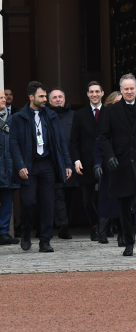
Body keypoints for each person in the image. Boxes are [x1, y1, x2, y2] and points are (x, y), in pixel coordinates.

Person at [9, 82, 72, 252]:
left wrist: (67, 163)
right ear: (31, 97)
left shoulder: (50, 116)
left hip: (47, 165)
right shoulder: (18, 117)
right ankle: (27, 233)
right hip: (28, 165)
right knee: (28, 203)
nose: (45, 99)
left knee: (47, 203)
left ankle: (45, 240)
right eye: (42, 96)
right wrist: (20, 165)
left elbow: (60, 142)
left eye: (46, 96)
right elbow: (13, 144)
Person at [100, 74, 136, 257]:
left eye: (132, 88)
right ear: (121, 90)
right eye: (126, 89)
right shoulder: (111, 111)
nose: (129, 91)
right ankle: (128, 242)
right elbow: (104, 137)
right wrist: (109, 156)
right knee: (123, 207)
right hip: (120, 164)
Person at [70, 81, 105, 241]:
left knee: (108, 197)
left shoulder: (109, 112)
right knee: (87, 200)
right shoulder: (80, 114)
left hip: (106, 161)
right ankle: (95, 225)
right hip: (85, 162)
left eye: (97, 91)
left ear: (102, 93)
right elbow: (74, 141)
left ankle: (106, 228)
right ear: (87, 94)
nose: (94, 94)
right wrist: (76, 160)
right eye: (91, 92)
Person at [93, 91, 122, 245]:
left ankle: (122, 232)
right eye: (116, 102)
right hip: (108, 167)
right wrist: (97, 164)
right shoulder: (106, 121)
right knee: (106, 200)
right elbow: (99, 146)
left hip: (123, 166)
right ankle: (102, 232)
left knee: (122, 200)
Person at [47, 88, 77, 239]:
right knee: (57, 194)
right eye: (54, 97)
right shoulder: (45, 116)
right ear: (49, 100)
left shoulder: (73, 116)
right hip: (52, 163)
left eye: (60, 97)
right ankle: (62, 225)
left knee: (69, 195)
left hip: (71, 161)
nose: (58, 99)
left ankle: (66, 222)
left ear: (65, 99)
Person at [0, 90, 20, 245]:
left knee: (7, 201)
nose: (3, 99)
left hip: (9, 166)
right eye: (0, 98)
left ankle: (3, 232)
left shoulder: (14, 119)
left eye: (3, 97)